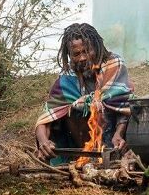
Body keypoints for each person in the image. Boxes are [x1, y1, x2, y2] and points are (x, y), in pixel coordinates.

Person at [35, 23, 134, 162]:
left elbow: (123, 105)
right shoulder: (66, 78)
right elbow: (45, 118)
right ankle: (85, 159)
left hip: (115, 139)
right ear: (69, 55)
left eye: (87, 51)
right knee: (73, 109)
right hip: (81, 144)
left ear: (97, 48)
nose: (82, 58)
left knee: (136, 109)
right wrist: (44, 142)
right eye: (76, 54)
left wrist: (119, 134)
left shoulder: (114, 64)